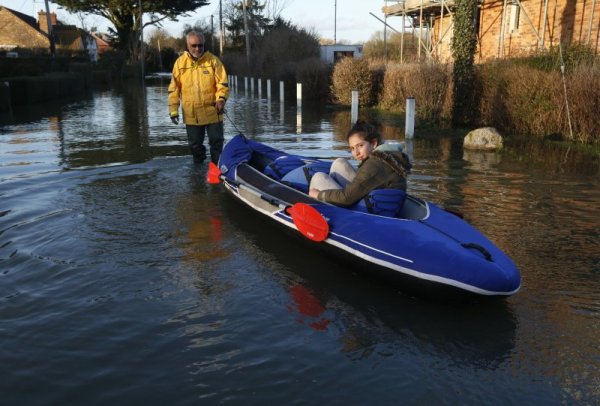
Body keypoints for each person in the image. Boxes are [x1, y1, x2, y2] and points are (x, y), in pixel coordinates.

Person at [309, 120, 411, 207]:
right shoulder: (386, 156)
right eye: (352, 148)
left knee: (318, 178)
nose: (356, 153)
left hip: (370, 210)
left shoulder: (374, 165)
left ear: (374, 143)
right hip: (377, 202)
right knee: (339, 163)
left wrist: (319, 195)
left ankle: (313, 216)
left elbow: (347, 198)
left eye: (360, 145)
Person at [168, 31, 229, 164]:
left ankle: (217, 171)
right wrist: (173, 110)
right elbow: (174, 89)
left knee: (217, 143)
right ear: (188, 45)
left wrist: (221, 99)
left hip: (213, 111)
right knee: (194, 145)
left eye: (200, 45)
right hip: (191, 113)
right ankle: (198, 173)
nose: (197, 48)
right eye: (194, 45)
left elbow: (222, 83)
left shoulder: (213, 61)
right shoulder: (179, 63)